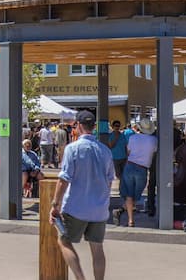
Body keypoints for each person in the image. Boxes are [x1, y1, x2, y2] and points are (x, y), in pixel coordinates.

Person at [50, 110, 114, 280]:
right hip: (99, 209)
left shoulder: (73, 149)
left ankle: (80, 278)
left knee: (64, 241)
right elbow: (109, 180)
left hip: (76, 206)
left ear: (78, 126)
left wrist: (55, 204)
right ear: (93, 127)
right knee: (97, 248)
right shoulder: (105, 151)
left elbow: (64, 179)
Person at [115, 117, 158, 227]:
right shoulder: (154, 140)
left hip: (130, 165)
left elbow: (128, 152)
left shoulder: (133, 138)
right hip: (142, 168)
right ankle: (125, 214)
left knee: (129, 194)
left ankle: (129, 219)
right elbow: (153, 154)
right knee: (136, 195)